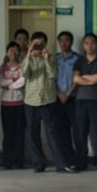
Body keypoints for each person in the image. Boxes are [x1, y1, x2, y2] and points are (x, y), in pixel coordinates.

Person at [22, 31, 74, 173]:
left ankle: (60, 164)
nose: (38, 46)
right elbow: (25, 74)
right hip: (31, 100)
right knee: (33, 134)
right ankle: (39, 163)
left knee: (53, 133)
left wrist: (46, 58)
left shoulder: (51, 58)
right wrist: (28, 54)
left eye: (41, 43)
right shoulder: (28, 59)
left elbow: (52, 74)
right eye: (36, 43)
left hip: (47, 100)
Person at [73, 33, 97, 171]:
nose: (90, 46)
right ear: (83, 45)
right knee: (80, 134)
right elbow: (76, 79)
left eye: (92, 43)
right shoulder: (79, 61)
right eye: (87, 43)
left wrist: (84, 78)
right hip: (81, 101)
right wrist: (89, 78)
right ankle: (81, 163)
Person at [0, 41, 25, 169]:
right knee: (8, 134)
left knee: (20, 133)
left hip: (20, 103)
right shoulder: (3, 67)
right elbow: (1, 82)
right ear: (7, 53)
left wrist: (9, 84)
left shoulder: (22, 66)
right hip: (6, 104)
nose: (12, 53)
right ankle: (7, 161)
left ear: (19, 52)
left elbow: (23, 81)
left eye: (15, 50)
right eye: (10, 51)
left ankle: (18, 161)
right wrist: (14, 81)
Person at [55, 31, 80, 167]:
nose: (64, 43)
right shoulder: (54, 59)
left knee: (77, 130)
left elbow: (78, 79)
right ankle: (66, 160)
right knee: (61, 130)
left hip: (73, 98)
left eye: (67, 40)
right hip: (58, 98)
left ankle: (78, 160)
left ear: (71, 42)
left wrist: (68, 93)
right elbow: (51, 78)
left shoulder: (77, 58)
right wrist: (59, 93)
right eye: (62, 40)